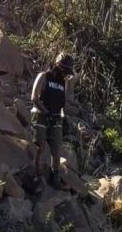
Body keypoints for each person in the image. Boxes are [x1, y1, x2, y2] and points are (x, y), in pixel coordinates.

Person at [30, 53, 75, 190]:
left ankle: (55, 178)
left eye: (67, 70)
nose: (65, 72)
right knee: (40, 145)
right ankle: (37, 176)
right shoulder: (44, 76)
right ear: (57, 64)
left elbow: (66, 101)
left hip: (56, 117)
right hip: (40, 114)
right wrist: (45, 112)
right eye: (64, 68)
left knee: (56, 149)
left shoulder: (64, 82)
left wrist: (65, 117)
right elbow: (34, 97)